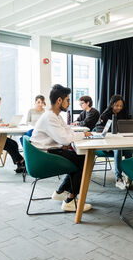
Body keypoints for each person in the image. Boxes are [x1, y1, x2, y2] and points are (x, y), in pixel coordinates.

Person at [30, 84, 93, 212]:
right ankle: (70, 201)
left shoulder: (55, 115)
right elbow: (65, 138)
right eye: (67, 100)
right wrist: (76, 136)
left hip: (47, 152)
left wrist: (70, 137)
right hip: (43, 156)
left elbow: (68, 132)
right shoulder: (50, 117)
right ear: (59, 100)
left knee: (78, 157)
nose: (69, 103)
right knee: (83, 159)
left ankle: (61, 192)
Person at [95, 94, 133, 190]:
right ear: (112, 104)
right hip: (107, 144)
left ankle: (129, 175)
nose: (119, 108)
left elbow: (132, 126)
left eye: (121, 106)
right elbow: (98, 128)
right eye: (117, 105)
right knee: (118, 148)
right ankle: (118, 177)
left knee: (128, 150)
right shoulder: (105, 114)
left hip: (122, 141)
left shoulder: (124, 113)